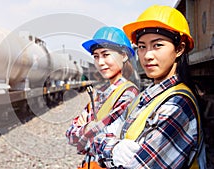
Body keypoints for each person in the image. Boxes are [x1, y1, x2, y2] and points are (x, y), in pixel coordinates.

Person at [90, 5, 206, 168]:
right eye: (142, 47)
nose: (147, 55)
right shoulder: (144, 97)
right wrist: (118, 149)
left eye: (157, 45)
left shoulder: (178, 105)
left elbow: (138, 166)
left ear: (179, 49)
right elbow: (97, 137)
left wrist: (109, 149)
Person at [65, 26, 139, 168]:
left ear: (123, 55)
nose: (100, 62)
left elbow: (90, 140)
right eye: (96, 56)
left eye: (106, 55)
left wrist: (85, 129)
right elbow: (70, 134)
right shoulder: (102, 92)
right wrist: (88, 129)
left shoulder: (129, 93)